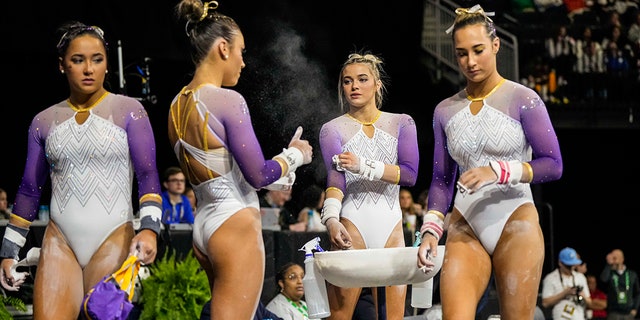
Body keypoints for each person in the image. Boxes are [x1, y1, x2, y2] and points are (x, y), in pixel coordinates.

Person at [0, 21, 163, 319]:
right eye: (78, 60)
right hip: (60, 241)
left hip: (114, 234)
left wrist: (150, 229)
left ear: (106, 65)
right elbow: (28, 190)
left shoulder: (130, 111)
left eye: (97, 60)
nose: (88, 68)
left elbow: (148, 177)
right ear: (62, 65)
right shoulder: (43, 121)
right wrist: (9, 251)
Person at [416, 4, 563, 319]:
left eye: (478, 50)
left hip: (516, 219)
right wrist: (430, 229)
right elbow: (441, 180)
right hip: (465, 222)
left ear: (496, 45)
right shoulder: (444, 111)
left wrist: (498, 170)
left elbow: (553, 164)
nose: (470, 61)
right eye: (461, 53)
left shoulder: (523, 98)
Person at [169, 1, 313, 319]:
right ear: (223, 48)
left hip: (204, 224)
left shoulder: (176, 106)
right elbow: (258, 176)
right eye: (241, 51)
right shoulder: (228, 100)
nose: (243, 63)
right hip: (233, 226)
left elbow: (224, 172)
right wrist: (295, 156)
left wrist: (284, 168)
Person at [318, 51, 419, 320]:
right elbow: (336, 179)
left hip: (392, 229)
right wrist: (330, 219)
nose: (354, 86)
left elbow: (410, 175)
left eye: (362, 79)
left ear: (377, 83)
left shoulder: (402, 123)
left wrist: (363, 165)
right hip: (353, 225)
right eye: (347, 81)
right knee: (338, 316)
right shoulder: (332, 129)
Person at [541, 247, 591, 319]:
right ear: (560, 263)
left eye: (573, 265)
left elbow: (590, 302)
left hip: (579, 316)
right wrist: (564, 293)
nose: (571, 268)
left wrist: (583, 296)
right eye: (568, 266)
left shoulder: (580, 277)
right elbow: (545, 303)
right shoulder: (550, 278)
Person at [599, 249, 640, 319]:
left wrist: (635, 309)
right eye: (612, 258)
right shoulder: (610, 273)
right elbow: (603, 280)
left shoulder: (632, 274)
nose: (614, 260)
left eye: (615, 257)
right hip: (613, 313)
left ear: (622, 259)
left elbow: (637, 293)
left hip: (628, 313)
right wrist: (608, 264)